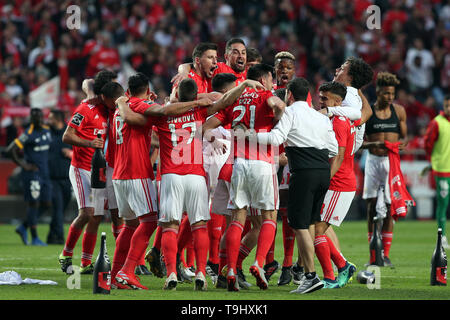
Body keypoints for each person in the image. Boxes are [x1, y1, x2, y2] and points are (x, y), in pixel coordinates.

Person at [117, 75, 263, 291]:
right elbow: (224, 101)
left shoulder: (163, 116)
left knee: (170, 227)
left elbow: (141, 119)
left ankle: (172, 274)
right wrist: (244, 85)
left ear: (177, 95)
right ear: (195, 95)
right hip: (196, 176)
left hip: (170, 176)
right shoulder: (200, 111)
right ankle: (201, 274)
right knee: (199, 226)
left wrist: (122, 102)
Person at [250, 77, 338, 294]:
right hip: (323, 172)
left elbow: (277, 137)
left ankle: (310, 275)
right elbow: (334, 149)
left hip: (304, 172)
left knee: (298, 224)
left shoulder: (290, 112)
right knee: (308, 223)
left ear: (289, 95)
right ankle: (311, 274)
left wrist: (251, 136)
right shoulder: (320, 117)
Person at [207, 63, 286, 291]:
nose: (272, 83)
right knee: (269, 216)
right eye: (271, 79)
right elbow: (277, 105)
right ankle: (259, 263)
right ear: (265, 78)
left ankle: (230, 269)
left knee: (237, 219)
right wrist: (277, 118)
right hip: (262, 163)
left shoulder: (236, 99)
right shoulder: (265, 94)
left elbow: (213, 114)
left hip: (238, 164)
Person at [58, 70, 113, 275]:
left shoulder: (109, 109)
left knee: (97, 216)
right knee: (86, 213)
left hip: (99, 168)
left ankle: (86, 262)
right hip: (81, 167)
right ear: (103, 94)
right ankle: (66, 254)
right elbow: (67, 136)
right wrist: (89, 142)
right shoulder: (85, 109)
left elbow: (88, 81)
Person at [360, 72, 407, 267]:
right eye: (386, 93)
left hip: (391, 162)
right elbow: (359, 143)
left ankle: (385, 254)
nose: (390, 97)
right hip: (373, 161)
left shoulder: (399, 111)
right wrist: (375, 144)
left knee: (389, 206)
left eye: (392, 94)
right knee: (371, 206)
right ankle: (373, 253)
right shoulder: (368, 113)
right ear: (378, 92)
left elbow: (404, 139)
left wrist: (399, 146)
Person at [7, 108, 52, 246]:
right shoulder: (28, 134)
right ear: (31, 119)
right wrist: (23, 165)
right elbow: (11, 149)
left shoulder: (46, 130)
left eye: (39, 117)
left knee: (47, 204)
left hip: (45, 173)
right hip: (32, 174)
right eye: (35, 117)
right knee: (34, 203)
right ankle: (34, 238)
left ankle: (24, 226)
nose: (38, 119)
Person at [424, 95, 450, 249]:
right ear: (443, 106)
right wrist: (432, 161)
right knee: (443, 205)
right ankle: (442, 237)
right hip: (442, 170)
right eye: (447, 106)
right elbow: (428, 144)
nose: (449, 109)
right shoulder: (437, 123)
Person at [46, 109, 72, 245]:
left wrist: (72, 154)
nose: (48, 121)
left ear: (57, 119)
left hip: (67, 178)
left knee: (61, 208)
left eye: (50, 118)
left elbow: (83, 150)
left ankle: (51, 236)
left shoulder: (70, 133)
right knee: (58, 207)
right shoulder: (47, 133)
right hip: (52, 178)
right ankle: (60, 238)